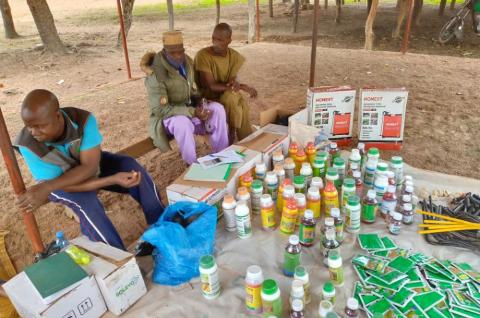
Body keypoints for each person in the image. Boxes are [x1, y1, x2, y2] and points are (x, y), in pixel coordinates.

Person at [14, 89, 164, 251]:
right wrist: (48, 187)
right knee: (87, 203)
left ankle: (162, 224)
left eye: (40, 126)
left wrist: (112, 179)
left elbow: (90, 167)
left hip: (85, 168)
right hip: (56, 183)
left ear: (57, 116)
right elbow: (65, 186)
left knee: (129, 165)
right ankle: (118, 259)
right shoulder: (28, 145)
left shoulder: (83, 120)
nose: (34, 132)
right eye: (29, 127)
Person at [141, 31, 229, 165]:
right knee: (183, 123)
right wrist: (193, 112)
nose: (178, 56)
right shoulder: (156, 74)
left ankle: (222, 156)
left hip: (190, 109)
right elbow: (160, 109)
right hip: (168, 118)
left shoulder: (186, 62)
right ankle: (192, 164)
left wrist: (201, 101)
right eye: (173, 53)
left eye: (180, 51)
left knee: (217, 109)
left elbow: (193, 89)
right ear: (164, 52)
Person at [194, 23, 258, 143]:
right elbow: (211, 86)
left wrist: (236, 85)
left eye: (220, 40)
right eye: (213, 38)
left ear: (229, 40)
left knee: (236, 99)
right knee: (233, 98)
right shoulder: (203, 55)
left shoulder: (233, 56)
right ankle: (239, 136)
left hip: (225, 94)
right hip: (208, 98)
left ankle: (238, 135)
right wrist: (242, 87)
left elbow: (231, 82)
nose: (215, 42)